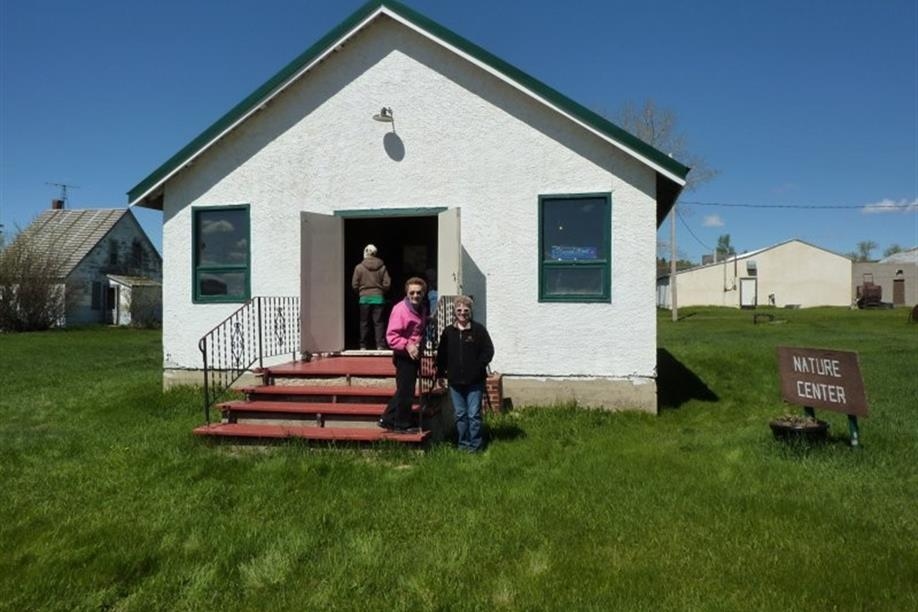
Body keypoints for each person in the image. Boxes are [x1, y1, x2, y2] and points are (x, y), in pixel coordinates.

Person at [436, 295, 494, 452]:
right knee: (460, 415)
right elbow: (441, 354)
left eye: (466, 310)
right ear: (455, 311)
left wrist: (478, 366)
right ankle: (463, 444)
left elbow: (488, 350)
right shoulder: (448, 332)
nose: (462, 313)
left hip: (475, 381)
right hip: (455, 381)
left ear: (470, 311)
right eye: (459, 310)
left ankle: (476, 446)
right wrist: (440, 374)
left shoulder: (478, 330)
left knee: (474, 415)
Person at [379, 277, 428, 432]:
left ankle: (387, 418)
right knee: (406, 391)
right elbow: (391, 336)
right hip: (403, 354)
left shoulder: (422, 308)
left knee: (404, 389)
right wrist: (408, 345)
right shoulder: (400, 310)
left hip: (414, 353)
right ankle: (401, 424)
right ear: (407, 293)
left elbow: (419, 329)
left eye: (419, 293)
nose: (415, 296)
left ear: (424, 293)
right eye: (412, 292)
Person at [351, 244, 391, 350]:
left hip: (364, 299)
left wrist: (361, 292)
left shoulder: (359, 267)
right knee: (378, 323)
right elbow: (387, 283)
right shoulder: (382, 267)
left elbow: (354, 284)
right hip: (378, 298)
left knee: (364, 323)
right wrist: (381, 291)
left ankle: (363, 345)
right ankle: (380, 345)